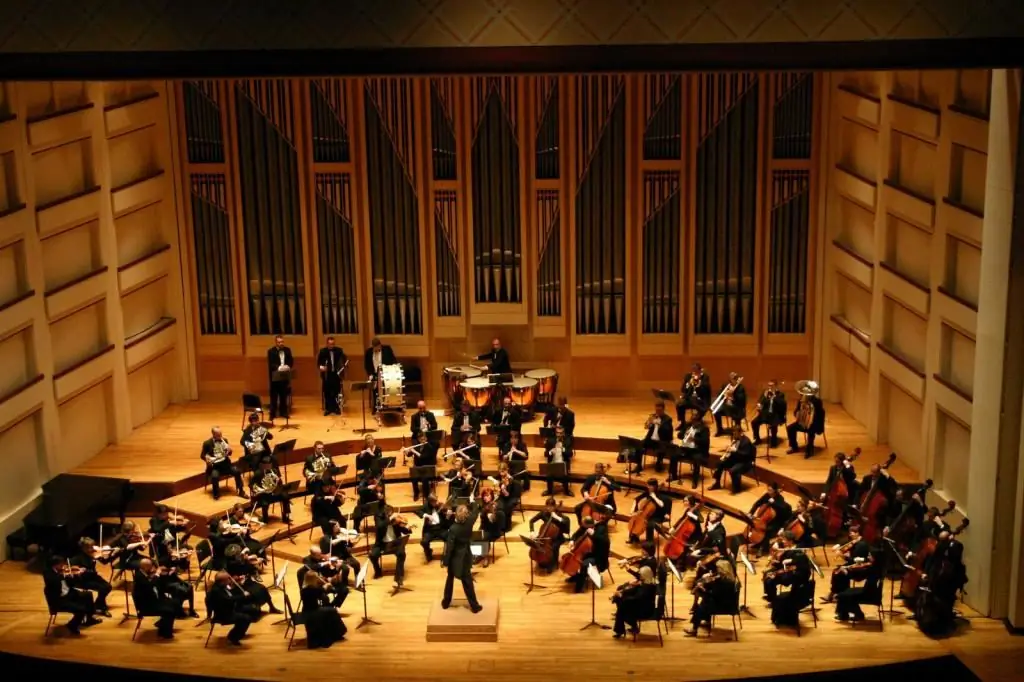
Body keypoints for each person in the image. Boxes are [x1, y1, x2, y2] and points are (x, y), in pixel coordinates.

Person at [43, 554, 101, 634]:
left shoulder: (60, 571)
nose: (64, 566)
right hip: (60, 600)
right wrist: (64, 575)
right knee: (81, 609)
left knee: (88, 595)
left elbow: (71, 583)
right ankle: (72, 625)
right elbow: (53, 581)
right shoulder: (48, 573)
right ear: (55, 565)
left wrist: (74, 576)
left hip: (69, 593)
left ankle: (89, 619)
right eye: (61, 564)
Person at [442, 503, 483, 612]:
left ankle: (446, 602)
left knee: (450, 580)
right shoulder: (469, 522)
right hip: (466, 555)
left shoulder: (453, 529)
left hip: (455, 557)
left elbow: (450, 548)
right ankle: (474, 606)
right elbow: (475, 512)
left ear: (456, 515)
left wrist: (446, 562)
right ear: (466, 515)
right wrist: (472, 502)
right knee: (467, 582)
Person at [686, 558, 738, 636]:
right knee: (705, 601)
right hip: (728, 603)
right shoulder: (730, 579)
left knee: (703, 604)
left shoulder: (723, 582)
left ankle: (694, 629)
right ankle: (705, 621)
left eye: (718, 568)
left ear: (723, 569)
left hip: (724, 607)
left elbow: (714, 594)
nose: (716, 571)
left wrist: (702, 588)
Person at [821, 526, 872, 604]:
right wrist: (839, 545)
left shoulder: (861, 545)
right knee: (836, 571)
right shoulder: (855, 541)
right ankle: (837, 594)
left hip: (860, 569)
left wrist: (842, 555)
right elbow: (846, 542)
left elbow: (853, 561)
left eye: (851, 533)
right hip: (853, 565)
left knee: (839, 573)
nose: (850, 535)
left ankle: (839, 595)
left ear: (857, 533)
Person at [206, 571, 258, 646]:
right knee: (246, 618)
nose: (230, 580)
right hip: (224, 615)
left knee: (253, 609)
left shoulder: (220, 586)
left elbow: (230, 596)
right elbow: (229, 599)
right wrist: (243, 596)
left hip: (228, 608)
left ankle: (239, 631)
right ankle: (233, 637)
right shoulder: (217, 591)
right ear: (223, 581)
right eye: (228, 579)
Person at [132, 558, 179, 639]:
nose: (152, 569)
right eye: (150, 567)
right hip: (146, 605)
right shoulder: (139, 577)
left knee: (174, 603)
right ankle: (165, 633)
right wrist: (157, 574)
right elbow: (149, 586)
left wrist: (164, 574)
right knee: (170, 611)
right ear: (145, 568)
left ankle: (163, 625)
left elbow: (152, 583)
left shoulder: (142, 572)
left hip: (150, 598)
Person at [300, 570, 347, 648]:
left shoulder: (306, 587)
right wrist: (326, 585)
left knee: (330, 610)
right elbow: (321, 591)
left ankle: (335, 633)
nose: (317, 579)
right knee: (332, 611)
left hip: (311, 610)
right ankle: (337, 634)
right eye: (316, 578)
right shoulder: (309, 590)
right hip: (311, 613)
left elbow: (320, 594)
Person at [369, 506, 412, 588]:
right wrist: (389, 520)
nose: (391, 517)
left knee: (401, 553)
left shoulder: (396, 521)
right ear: (384, 515)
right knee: (372, 555)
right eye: (388, 515)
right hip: (382, 545)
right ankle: (378, 571)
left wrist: (408, 528)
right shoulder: (380, 521)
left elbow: (405, 531)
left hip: (395, 544)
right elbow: (380, 526)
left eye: (391, 514)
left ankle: (398, 579)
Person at [69, 538, 113, 616]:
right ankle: (101, 607)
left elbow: (105, 562)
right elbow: (75, 571)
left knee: (108, 587)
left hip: (93, 576)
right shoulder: (77, 558)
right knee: (103, 588)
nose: (92, 549)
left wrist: (111, 554)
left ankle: (97, 605)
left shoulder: (93, 554)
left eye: (92, 546)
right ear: (83, 548)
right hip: (83, 580)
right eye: (90, 547)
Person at [611, 565, 658, 639]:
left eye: (641, 575)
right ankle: (627, 628)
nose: (639, 577)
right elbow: (634, 591)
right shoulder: (646, 582)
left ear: (645, 575)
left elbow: (636, 598)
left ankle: (622, 629)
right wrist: (622, 592)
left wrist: (621, 595)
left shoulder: (648, 587)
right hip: (640, 605)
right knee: (621, 604)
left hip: (645, 610)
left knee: (622, 609)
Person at [200, 426, 247, 500]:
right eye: (218, 435)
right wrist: (207, 460)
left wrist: (230, 451)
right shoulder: (207, 443)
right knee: (215, 476)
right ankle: (216, 494)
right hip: (215, 467)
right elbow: (202, 455)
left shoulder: (224, 440)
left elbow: (229, 454)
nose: (220, 436)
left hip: (226, 465)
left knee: (237, 471)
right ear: (213, 434)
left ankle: (241, 491)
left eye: (221, 434)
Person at [566, 516, 610, 593]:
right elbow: (576, 534)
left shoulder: (601, 528)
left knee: (584, 564)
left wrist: (594, 534)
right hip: (588, 553)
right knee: (576, 560)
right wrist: (572, 540)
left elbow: (605, 542)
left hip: (599, 556)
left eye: (584, 526)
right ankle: (576, 576)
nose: (582, 527)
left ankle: (579, 588)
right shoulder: (585, 526)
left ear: (590, 525)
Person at [761, 532, 808, 604]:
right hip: (784, 569)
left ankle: (773, 600)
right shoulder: (786, 549)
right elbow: (781, 563)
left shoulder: (798, 550)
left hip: (793, 573)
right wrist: (773, 561)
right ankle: (770, 595)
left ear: (791, 541)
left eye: (784, 540)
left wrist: (791, 560)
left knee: (770, 580)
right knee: (766, 573)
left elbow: (801, 563)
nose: (783, 541)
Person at [747, 482, 793, 556]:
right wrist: (751, 512)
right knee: (758, 526)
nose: (768, 491)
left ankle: (763, 548)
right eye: (768, 489)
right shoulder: (767, 495)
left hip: (777, 521)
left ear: (775, 490)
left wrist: (774, 502)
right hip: (767, 519)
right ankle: (758, 543)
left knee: (767, 530)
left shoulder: (780, 498)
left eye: (770, 490)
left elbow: (783, 508)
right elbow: (757, 503)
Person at [710, 425, 755, 494]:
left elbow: (745, 455)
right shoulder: (735, 439)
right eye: (733, 433)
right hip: (736, 458)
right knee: (719, 463)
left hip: (745, 462)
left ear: (740, 433)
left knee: (733, 470)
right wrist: (728, 450)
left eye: (735, 434)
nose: (733, 435)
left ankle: (737, 488)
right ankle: (717, 483)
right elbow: (733, 451)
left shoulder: (746, 441)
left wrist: (735, 450)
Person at [529, 498, 570, 571]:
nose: (549, 508)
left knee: (554, 547)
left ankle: (554, 564)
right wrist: (532, 531)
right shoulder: (543, 513)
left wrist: (557, 517)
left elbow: (566, 526)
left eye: (551, 507)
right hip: (545, 535)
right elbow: (531, 521)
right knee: (538, 546)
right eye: (547, 506)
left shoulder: (559, 514)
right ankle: (541, 560)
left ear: (554, 506)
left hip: (558, 537)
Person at [633, 401, 673, 474]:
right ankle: (639, 465)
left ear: (663, 409)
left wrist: (659, 424)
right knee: (638, 445)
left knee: (662, 448)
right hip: (651, 440)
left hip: (662, 440)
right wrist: (649, 423)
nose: (657, 412)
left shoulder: (668, 419)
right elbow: (646, 426)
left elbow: (668, 431)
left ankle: (659, 463)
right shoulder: (653, 416)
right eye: (656, 410)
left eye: (659, 410)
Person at [786, 386, 826, 458]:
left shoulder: (817, 401)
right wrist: (797, 413)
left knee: (811, 431)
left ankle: (809, 450)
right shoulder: (801, 400)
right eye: (803, 392)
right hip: (803, 422)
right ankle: (794, 447)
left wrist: (809, 407)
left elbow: (819, 414)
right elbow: (796, 411)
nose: (803, 394)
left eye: (806, 392)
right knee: (790, 428)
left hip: (814, 423)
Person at [250, 457, 292, 524]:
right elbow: (251, 484)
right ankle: (265, 518)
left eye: (269, 465)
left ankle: (285, 516)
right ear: (262, 465)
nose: (268, 466)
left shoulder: (274, 471)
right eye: (266, 465)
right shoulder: (258, 473)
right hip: (263, 494)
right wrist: (258, 489)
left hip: (273, 493)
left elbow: (279, 484)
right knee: (264, 503)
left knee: (285, 496)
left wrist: (279, 481)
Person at [628, 479, 670, 545]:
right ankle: (634, 537)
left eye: (650, 486)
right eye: (648, 485)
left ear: (655, 486)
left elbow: (661, 505)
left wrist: (654, 497)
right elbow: (637, 499)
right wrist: (632, 510)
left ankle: (649, 542)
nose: (648, 487)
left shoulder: (658, 495)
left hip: (657, 514)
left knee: (649, 524)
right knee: (635, 519)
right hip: (647, 514)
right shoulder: (647, 492)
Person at [318, 520, 360, 584]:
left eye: (339, 525)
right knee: (345, 569)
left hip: (345, 555)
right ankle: (344, 582)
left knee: (357, 564)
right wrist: (341, 539)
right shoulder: (326, 537)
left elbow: (350, 545)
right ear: (332, 528)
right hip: (335, 558)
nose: (339, 527)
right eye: (337, 526)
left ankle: (358, 582)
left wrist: (358, 539)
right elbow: (331, 543)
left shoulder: (341, 534)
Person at [675, 412, 710, 486]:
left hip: (698, 451)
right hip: (686, 449)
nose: (693, 423)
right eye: (692, 421)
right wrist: (684, 433)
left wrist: (694, 438)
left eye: (694, 421)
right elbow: (679, 435)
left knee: (696, 460)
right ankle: (674, 476)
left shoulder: (704, 429)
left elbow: (705, 442)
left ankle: (695, 481)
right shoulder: (688, 425)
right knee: (674, 455)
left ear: (699, 421)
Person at [404, 430, 439, 501]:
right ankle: (416, 493)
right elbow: (409, 454)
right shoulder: (417, 446)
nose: (422, 440)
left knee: (424, 478)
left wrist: (414, 451)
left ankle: (426, 496)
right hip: (419, 468)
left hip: (428, 469)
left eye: (423, 439)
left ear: (426, 438)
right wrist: (406, 451)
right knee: (413, 478)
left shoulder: (429, 446)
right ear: (418, 440)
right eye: (420, 439)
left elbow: (422, 457)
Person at [317, 336, 347, 416]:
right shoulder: (323, 351)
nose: (331, 346)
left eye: (333, 344)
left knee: (336, 391)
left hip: (336, 374)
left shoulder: (339, 351)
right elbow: (319, 363)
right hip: (327, 374)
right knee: (327, 392)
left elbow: (344, 360)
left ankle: (336, 408)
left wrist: (342, 367)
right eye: (330, 344)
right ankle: (328, 409)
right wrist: (322, 367)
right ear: (327, 344)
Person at [751, 380, 787, 447]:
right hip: (765, 414)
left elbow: (782, 405)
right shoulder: (765, 393)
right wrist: (759, 404)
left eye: (771, 385)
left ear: (776, 386)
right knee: (754, 422)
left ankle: (774, 441)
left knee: (773, 424)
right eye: (769, 385)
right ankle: (757, 439)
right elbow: (760, 401)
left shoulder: (780, 394)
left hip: (776, 414)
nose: (769, 387)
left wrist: (774, 396)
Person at [418, 494, 453, 562]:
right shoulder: (426, 506)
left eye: (437, 500)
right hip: (429, 530)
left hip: (441, 528)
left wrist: (448, 514)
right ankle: (428, 552)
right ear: (430, 502)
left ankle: (448, 555)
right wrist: (426, 515)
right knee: (424, 542)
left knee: (450, 538)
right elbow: (418, 511)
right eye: (435, 502)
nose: (437, 503)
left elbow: (448, 513)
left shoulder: (441, 505)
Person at [364, 337, 397, 408]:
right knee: (375, 390)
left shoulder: (387, 349)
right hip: (374, 374)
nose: (376, 349)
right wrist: (370, 374)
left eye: (377, 347)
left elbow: (393, 360)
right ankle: (376, 407)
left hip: (386, 373)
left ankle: (386, 405)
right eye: (374, 348)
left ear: (380, 345)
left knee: (386, 390)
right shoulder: (368, 352)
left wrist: (392, 371)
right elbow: (367, 365)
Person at [267, 335, 293, 420]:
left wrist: (288, 366)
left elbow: (291, 361)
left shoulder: (287, 350)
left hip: (284, 376)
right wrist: (279, 367)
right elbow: (271, 364)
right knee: (274, 396)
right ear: (276, 342)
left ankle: (283, 412)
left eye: (282, 342)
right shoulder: (271, 351)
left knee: (283, 395)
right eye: (279, 342)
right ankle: (272, 414)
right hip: (275, 377)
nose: (281, 343)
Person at [544, 425, 574, 496]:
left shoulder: (568, 440)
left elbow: (570, 454)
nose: (559, 435)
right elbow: (545, 454)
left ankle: (566, 491)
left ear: (563, 433)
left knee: (565, 475)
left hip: (563, 464)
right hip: (553, 463)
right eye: (558, 433)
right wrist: (550, 452)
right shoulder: (550, 440)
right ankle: (549, 491)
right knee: (549, 475)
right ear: (555, 433)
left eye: (561, 433)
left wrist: (563, 449)